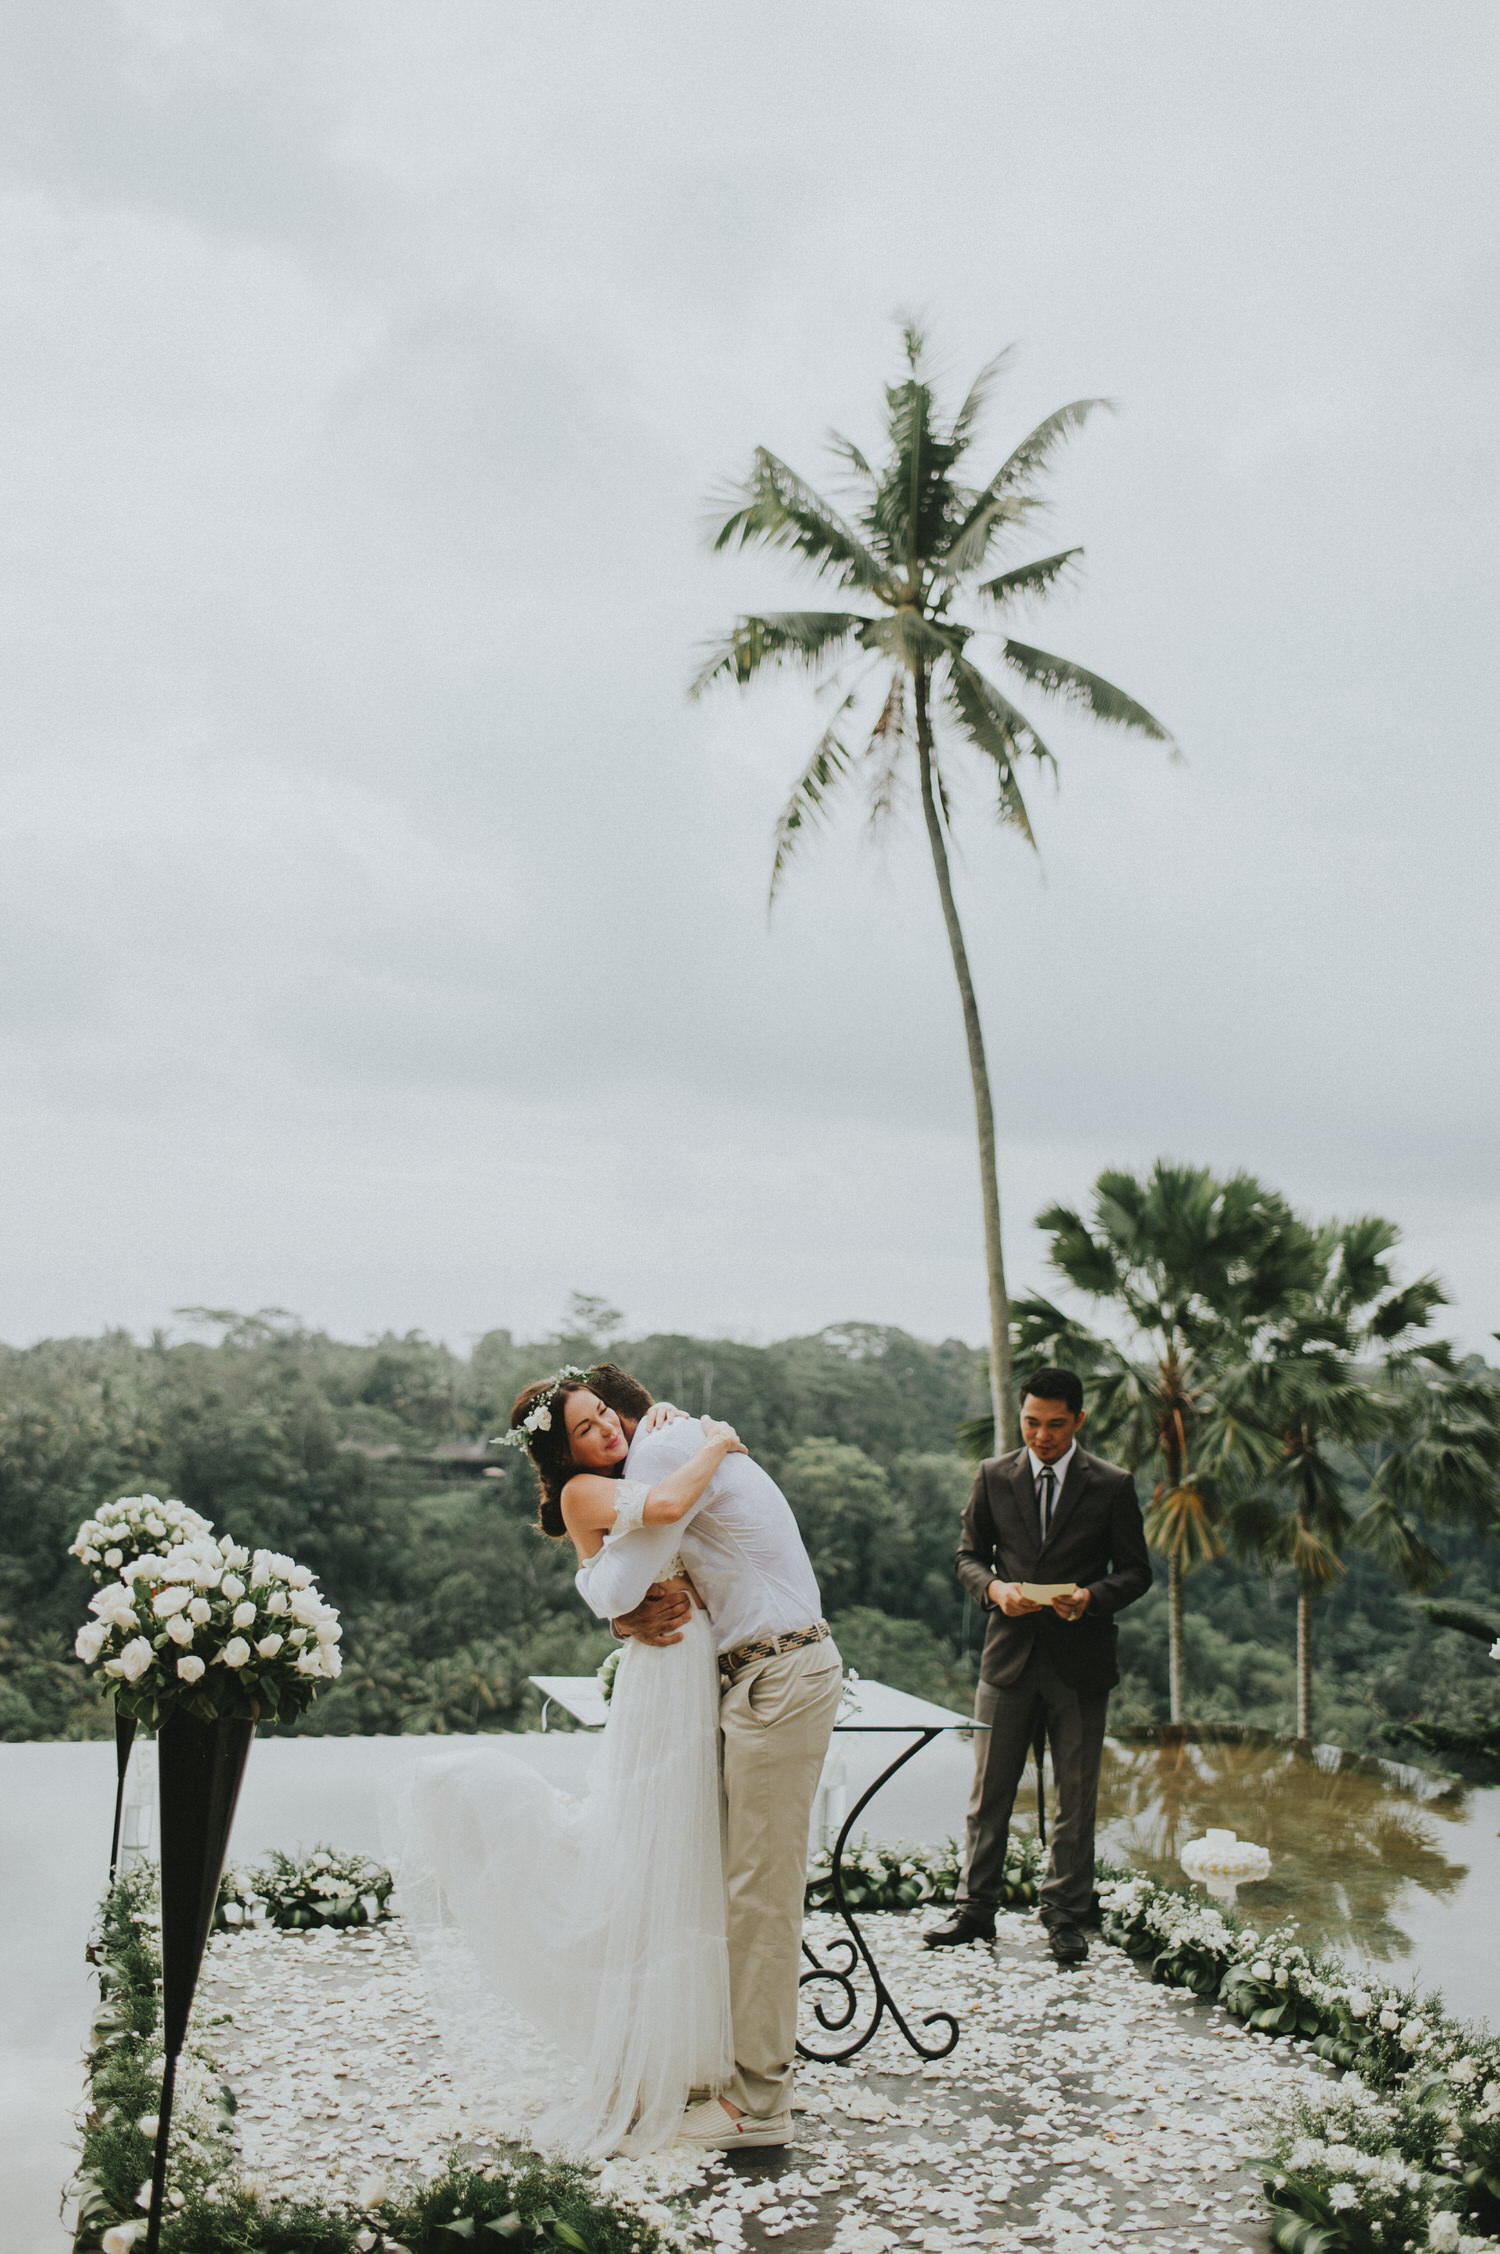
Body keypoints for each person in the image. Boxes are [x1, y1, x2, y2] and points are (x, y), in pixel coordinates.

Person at [403, 1368, 746, 2159]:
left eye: (604, 1417)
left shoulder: (628, 1461)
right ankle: (647, 2054)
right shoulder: (581, 1494)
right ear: (560, 1453)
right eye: (585, 1430)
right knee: (656, 1846)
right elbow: (662, 1511)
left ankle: (694, 2049)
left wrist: (662, 1418)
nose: (605, 1433)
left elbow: (646, 1521)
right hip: (665, 1675)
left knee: (689, 1848)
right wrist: (720, 1439)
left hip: (689, 1657)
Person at [577, 1364, 842, 2152]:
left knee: (759, 1895)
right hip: (769, 1670)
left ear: (623, 1423)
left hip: (777, 1673)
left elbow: (615, 1580)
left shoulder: (660, 1455)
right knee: (743, 1885)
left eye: (601, 1427)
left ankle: (759, 2105)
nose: (603, 1445)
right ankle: (735, 2075)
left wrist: (617, 1610)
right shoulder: (681, 1441)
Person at [925, 1366, 1151, 1965]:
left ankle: (1067, 1916)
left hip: (1082, 1663)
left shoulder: (1112, 1483)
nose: (1041, 1436)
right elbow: (968, 1556)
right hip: (1008, 1659)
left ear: (1078, 1420)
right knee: (989, 1791)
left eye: (1054, 1424)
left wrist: (1092, 1598)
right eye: (1031, 1422)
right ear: (1021, 1416)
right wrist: (996, 1592)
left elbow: (1136, 1571)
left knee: (1076, 1797)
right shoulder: (993, 1475)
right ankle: (975, 1910)